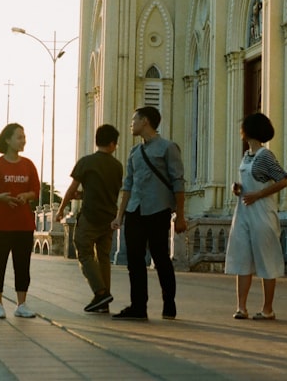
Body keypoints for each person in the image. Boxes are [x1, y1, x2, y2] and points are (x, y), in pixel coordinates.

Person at [111, 106, 187, 320]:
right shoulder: (134, 152)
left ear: (145, 121)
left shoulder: (168, 148)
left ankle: (169, 303)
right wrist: (120, 215)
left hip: (158, 210)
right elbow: (128, 185)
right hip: (135, 210)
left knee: (160, 256)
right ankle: (138, 306)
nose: (131, 124)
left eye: (134, 119)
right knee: (134, 259)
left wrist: (180, 215)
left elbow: (178, 182)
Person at [225, 112, 287, 321]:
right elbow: (248, 182)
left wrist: (259, 194)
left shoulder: (265, 156)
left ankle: (267, 308)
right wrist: (238, 189)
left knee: (266, 259)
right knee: (242, 257)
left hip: (262, 212)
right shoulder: (247, 156)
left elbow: (283, 179)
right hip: (244, 211)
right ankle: (240, 307)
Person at [54, 124, 124, 314]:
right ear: (112, 144)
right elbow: (108, 191)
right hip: (109, 217)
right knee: (103, 257)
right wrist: (85, 194)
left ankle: (100, 292)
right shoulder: (117, 166)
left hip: (90, 217)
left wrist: (61, 209)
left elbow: (70, 188)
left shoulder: (86, 162)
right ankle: (104, 302)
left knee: (84, 251)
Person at [0, 122, 40, 319]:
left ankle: (21, 305)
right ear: (8, 140)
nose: (23, 140)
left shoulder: (28, 164)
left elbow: (35, 191)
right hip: (1, 225)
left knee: (22, 265)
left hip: (23, 225)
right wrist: (1, 198)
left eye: (24, 137)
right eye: (19, 137)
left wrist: (25, 196)